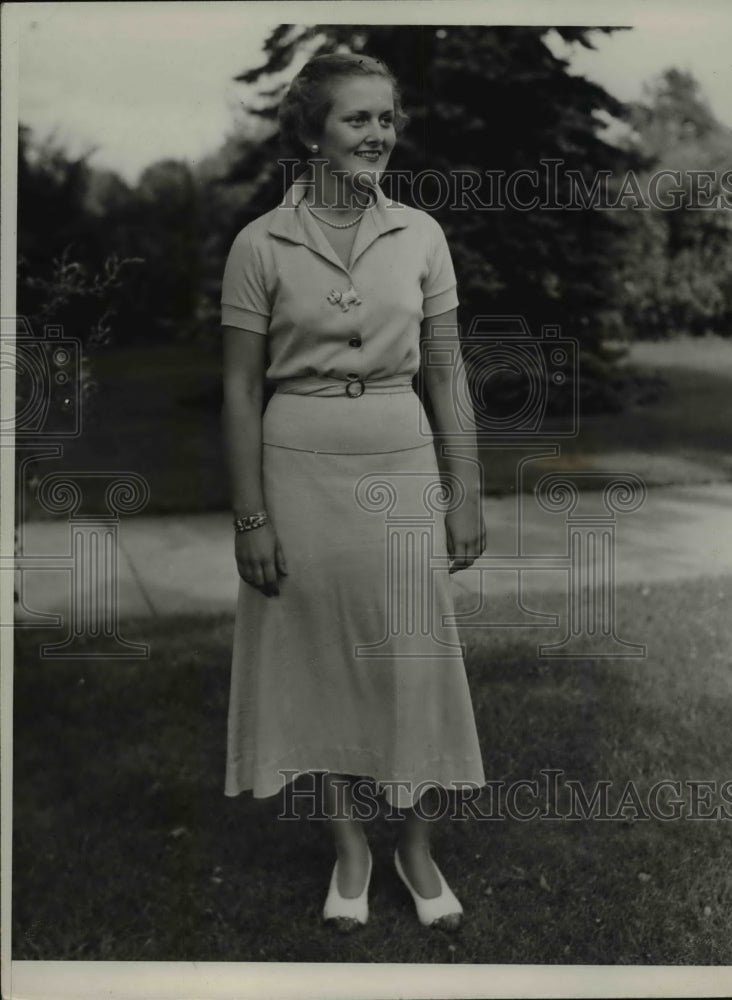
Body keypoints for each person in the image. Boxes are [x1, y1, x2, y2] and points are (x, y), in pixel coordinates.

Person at [220, 52, 486, 933]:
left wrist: (466, 491)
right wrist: (251, 516)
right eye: (357, 118)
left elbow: (445, 373)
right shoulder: (260, 244)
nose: (378, 134)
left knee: (416, 655)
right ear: (313, 132)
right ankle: (350, 851)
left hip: (400, 462)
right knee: (318, 659)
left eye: (386, 118)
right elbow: (239, 390)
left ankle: (416, 848)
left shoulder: (421, 234)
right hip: (296, 469)